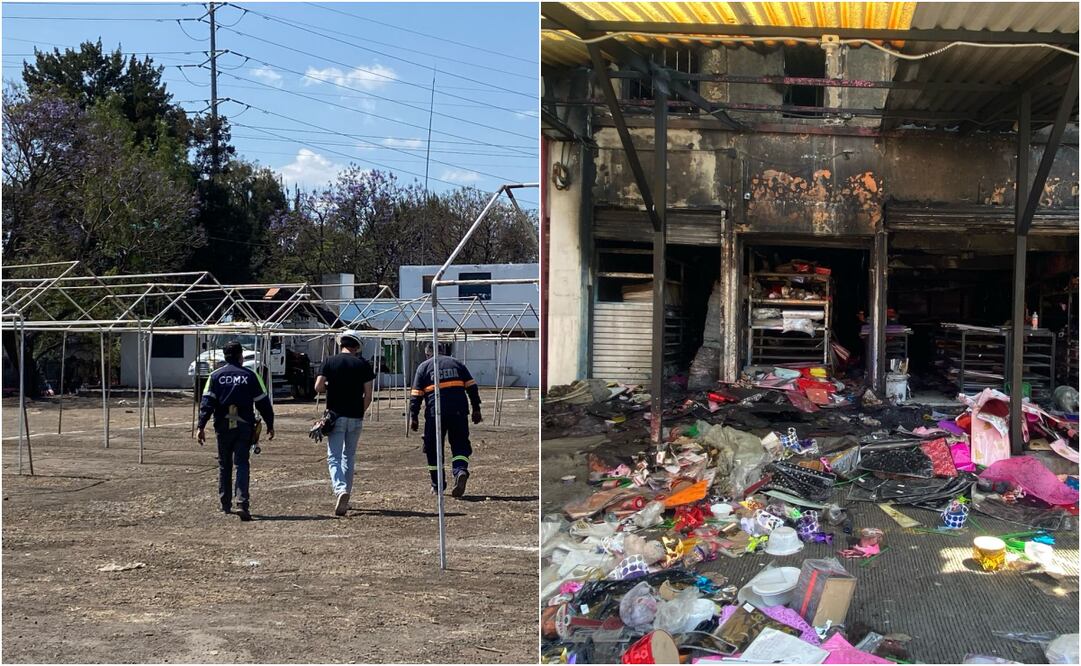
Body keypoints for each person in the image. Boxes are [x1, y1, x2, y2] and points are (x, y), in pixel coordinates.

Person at [197, 341, 275, 521]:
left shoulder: (215, 376)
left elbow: (207, 403)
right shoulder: (251, 375)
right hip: (244, 426)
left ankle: (225, 503)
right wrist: (270, 424)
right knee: (242, 463)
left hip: (223, 426)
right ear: (241, 356)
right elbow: (263, 402)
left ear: (225, 356)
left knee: (224, 464)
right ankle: (242, 503)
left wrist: (201, 426)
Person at [315, 330, 376, 516]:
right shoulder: (363, 364)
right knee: (348, 456)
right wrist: (360, 412)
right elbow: (368, 396)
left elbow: (318, 386)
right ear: (357, 347)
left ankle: (340, 489)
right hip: (355, 416)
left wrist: (330, 386)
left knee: (333, 457)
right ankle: (345, 495)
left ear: (341, 344)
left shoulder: (329, 361)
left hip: (335, 416)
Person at [410, 344, 482, 497]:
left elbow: (416, 394)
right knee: (460, 443)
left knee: (433, 448)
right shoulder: (457, 364)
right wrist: (476, 409)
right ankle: (460, 470)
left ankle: (437, 484)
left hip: (435, 413)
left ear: (427, 354)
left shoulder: (423, 367)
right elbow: (472, 387)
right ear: (444, 351)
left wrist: (413, 416)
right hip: (458, 411)